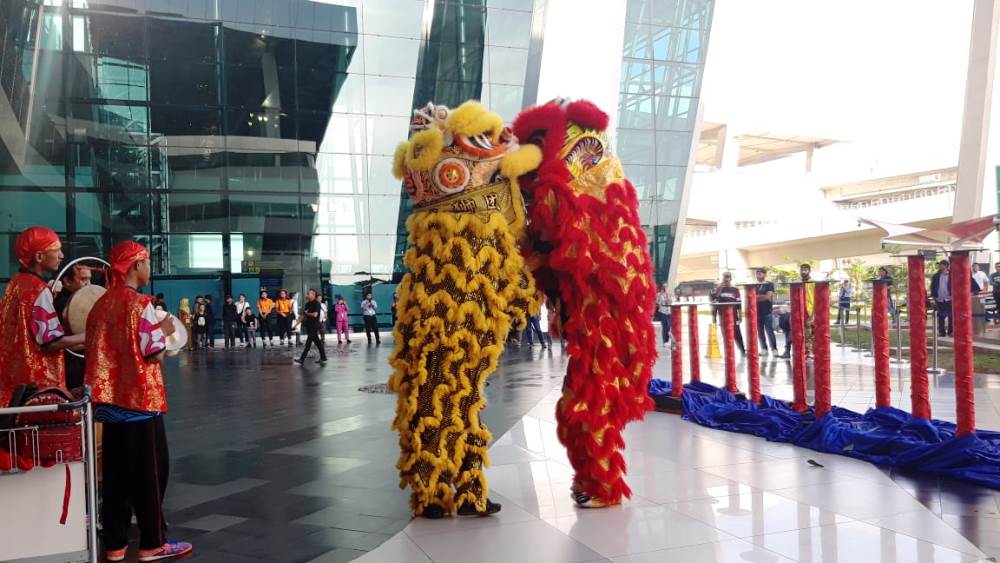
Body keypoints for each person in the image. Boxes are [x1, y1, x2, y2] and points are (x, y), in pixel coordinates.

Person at [84, 241, 193, 562]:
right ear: (135, 265)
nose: (150, 269)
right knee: (151, 475)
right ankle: (152, 543)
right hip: (140, 406)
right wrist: (164, 329)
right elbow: (154, 353)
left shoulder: (100, 305)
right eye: (147, 262)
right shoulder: (140, 305)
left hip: (109, 407)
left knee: (115, 479)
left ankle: (115, 545)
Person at [0, 227, 85, 407]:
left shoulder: (15, 283)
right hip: (37, 387)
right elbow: (49, 342)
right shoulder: (38, 289)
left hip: (14, 382)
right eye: (56, 251)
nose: (61, 256)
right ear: (39, 257)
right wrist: (86, 336)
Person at [53, 263, 93, 389]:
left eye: (89, 279)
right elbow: (61, 343)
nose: (88, 284)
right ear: (67, 281)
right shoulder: (60, 305)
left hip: (83, 365)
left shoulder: (86, 301)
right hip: (70, 369)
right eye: (83, 279)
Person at [711, 271, 745, 354]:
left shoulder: (735, 289)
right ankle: (729, 351)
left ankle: (742, 350)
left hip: (734, 316)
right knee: (725, 334)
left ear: (730, 278)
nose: (726, 279)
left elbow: (739, 303)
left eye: (727, 276)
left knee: (737, 333)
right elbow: (715, 300)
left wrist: (740, 316)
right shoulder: (718, 289)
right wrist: (720, 288)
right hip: (723, 316)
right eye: (724, 276)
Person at [294, 290, 327, 365]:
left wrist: (307, 313)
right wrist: (296, 325)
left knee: (308, 343)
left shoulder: (317, 304)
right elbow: (303, 315)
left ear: (313, 295)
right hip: (309, 325)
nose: (307, 295)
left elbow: (315, 315)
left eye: (308, 294)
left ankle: (302, 359)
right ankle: (323, 357)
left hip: (314, 326)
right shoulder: (307, 304)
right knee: (318, 342)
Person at [754, 269, 778, 353]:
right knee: (760, 332)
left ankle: (774, 349)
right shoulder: (754, 285)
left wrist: (757, 297)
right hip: (757, 312)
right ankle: (764, 348)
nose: (757, 276)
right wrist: (761, 297)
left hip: (767, 311)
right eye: (756, 274)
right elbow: (751, 297)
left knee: (769, 331)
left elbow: (768, 297)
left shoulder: (769, 284)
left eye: (759, 274)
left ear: (764, 274)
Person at [931, 260, 953, 337]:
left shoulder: (952, 275)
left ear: (946, 266)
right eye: (939, 265)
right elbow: (932, 286)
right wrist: (934, 296)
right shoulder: (936, 276)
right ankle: (941, 332)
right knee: (940, 316)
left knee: (951, 316)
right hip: (939, 299)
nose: (939, 266)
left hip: (949, 298)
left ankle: (951, 331)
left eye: (941, 265)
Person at [654, 282, 672, 347]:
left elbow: (670, 302)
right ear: (662, 287)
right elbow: (657, 302)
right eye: (664, 287)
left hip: (669, 312)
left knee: (668, 327)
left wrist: (667, 295)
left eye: (666, 287)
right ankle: (664, 341)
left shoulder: (669, 294)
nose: (665, 288)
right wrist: (660, 297)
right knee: (665, 327)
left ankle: (667, 341)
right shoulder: (658, 294)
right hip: (662, 312)